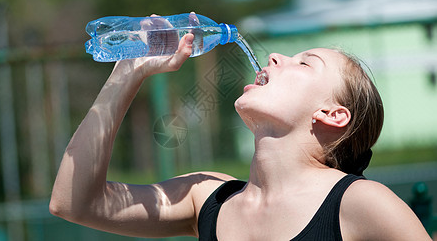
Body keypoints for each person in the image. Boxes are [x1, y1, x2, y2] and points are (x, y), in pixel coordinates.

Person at [50, 27, 432, 240]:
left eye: (303, 63)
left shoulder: (361, 202)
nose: (274, 57)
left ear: (331, 114)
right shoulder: (205, 198)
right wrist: (127, 72)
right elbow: (74, 202)